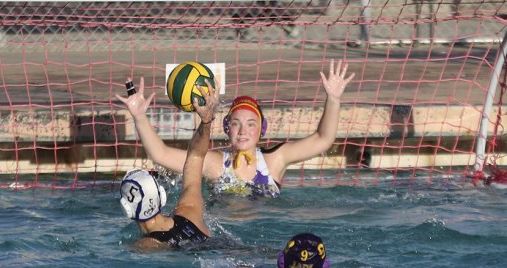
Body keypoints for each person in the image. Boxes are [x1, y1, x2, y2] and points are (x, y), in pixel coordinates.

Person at [115, 59, 355, 199]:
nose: (243, 131)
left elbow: (323, 140)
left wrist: (333, 99)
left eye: (251, 125)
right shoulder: (215, 164)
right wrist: (139, 116)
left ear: (261, 129)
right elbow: (161, 155)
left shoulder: (275, 160)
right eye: (236, 124)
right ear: (227, 128)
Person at [118, 80, 219, 249]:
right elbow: (196, 156)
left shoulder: (146, 246)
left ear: (126, 209)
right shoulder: (189, 212)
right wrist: (207, 120)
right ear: (161, 196)